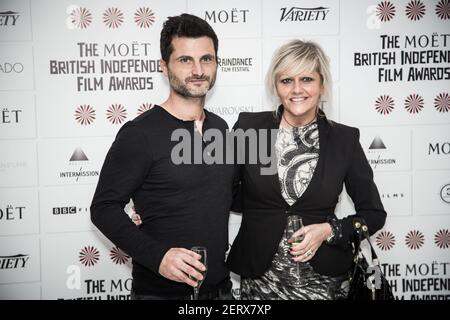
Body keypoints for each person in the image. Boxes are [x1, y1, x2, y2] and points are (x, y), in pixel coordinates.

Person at [226, 39, 387, 300]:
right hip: (260, 283)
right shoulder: (250, 129)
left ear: (322, 84)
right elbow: (220, 189)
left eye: (307, 79)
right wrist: (157, 205)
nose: (297, 89)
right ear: (275, 86)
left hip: (325, 282)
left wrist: (329, 230)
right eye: (286, 80)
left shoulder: (344, 140)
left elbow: (374, 214)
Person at [90, 13, 234, 300]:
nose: (198, 70)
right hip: (161, 294)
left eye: (207, 59)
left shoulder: (220, 127)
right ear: (164, 66)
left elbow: (221, 193)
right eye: (185, 60)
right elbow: (103, 208)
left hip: (219, 291)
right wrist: (159, 257)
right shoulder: (140, 134)